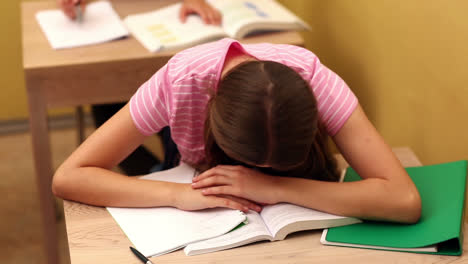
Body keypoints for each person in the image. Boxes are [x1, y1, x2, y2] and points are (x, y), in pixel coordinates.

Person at [52, 38, 421, 223]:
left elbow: (404, 201)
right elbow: (69, 177)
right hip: (198, 198)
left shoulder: (315, 80)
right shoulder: (181, 82)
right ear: (210, 115)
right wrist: (176, 194)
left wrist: (273, 187)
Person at [57, 0, 222, 175]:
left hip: (171, 38)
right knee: (109, 108)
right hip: (118, 44)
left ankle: (167, 171)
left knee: (176, 112)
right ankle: (157, 173)